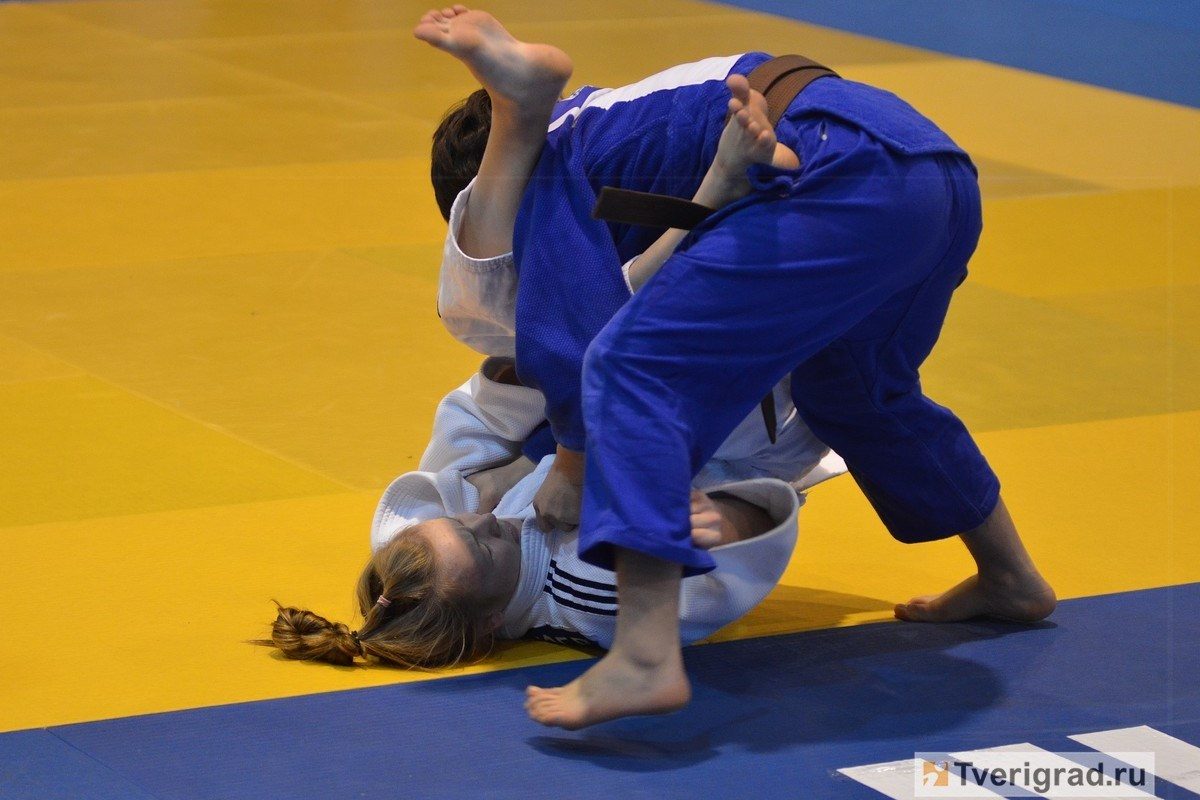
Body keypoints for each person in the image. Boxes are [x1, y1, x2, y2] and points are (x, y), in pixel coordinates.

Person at [414, 6, 1057, 730]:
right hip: (920, 169)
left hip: (838, 162)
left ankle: (644, 657)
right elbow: (632, 290)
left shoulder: (560, 159)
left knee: (628, 369)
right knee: (859, 395)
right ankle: (1011, 578)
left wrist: (571, 461)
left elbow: (586, 346)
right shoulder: (628, 145)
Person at [261, 355, 836, 668]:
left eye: (461, 523)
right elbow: (745, 549)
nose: (485, 520)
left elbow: (477, 417)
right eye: (483, 546)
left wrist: (525, 369)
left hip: (650, 389)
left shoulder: (438, 547)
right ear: (492, 621)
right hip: (748, 430)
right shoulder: (590, 592)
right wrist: (719, 521)